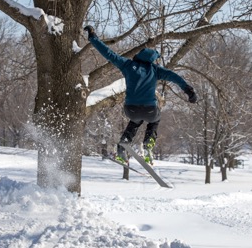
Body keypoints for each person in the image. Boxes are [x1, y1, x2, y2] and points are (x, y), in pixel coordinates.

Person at [84, 25, 197, 165]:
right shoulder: (155, 70)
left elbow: (109, 53)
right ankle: (148, 143)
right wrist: (188, 90)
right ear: (151, 60)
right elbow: (174, 77)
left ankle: (122, 146)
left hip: (130, 109)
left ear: (138, 56)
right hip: (150, 109)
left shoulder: (127, 65)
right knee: (154, 120)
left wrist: (93, 38)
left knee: (135, 122)